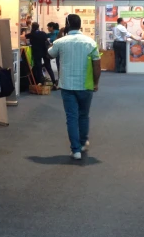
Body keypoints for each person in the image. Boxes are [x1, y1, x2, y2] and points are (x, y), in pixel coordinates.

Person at [48, 13, 101, 161]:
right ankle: (83, 142)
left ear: (67, 25)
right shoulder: (90, 42)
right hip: (86, 85)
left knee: (71, 117)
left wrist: (59, 35)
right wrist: (96, 83)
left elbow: (50, 54)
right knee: (84, 115)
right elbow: (97, 65)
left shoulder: (61, 42)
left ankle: (75, 150)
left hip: (67, 86)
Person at [26, 22, 57, 87]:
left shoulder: (32, 34)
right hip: (45, 52)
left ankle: (40, 82)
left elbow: (25, 37)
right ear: (38, 26)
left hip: (36, 53)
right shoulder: (43, 33)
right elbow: (47, 41)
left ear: (32, 27)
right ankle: (54, 82)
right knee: (48, 67)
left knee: (38, 67)